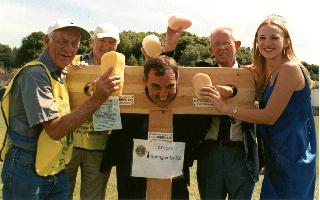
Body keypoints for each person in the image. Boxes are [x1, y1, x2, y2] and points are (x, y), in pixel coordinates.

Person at [0, 19, 121, 200]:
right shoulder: (36, 75)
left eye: (74, 44)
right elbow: (55, 130)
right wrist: (97, 99)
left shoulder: (61, 73)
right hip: (27, 165)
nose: (69, 49)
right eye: (62, 41)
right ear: (47, 41)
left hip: (55, 164)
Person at [201, 14, 316, 199]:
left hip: (293, 153)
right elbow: (240, 87)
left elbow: (269, 116)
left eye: (274, 37)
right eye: (261, 38)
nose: (266, 43)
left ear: (286, 41)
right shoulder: (266, 73)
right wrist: (232, 86)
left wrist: (225, 109)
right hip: (275, 154)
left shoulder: (290, 69)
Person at [100, 55, 211, 199]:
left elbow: (200, 132)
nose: (163, 94)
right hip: (132, 182)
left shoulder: (189, 111)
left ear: (178, 80)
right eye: (156, 86)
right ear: (144, 81)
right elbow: (104, 121)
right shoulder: (125, 106)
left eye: (170, 86)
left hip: (175, 181)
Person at [195, 26, 259, 199]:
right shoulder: (200, 73)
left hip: (241, 154)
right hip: (210, 153)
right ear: (211, 50)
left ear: (237, 45)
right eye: (217, 44)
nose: (221, 47)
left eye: (226, 43)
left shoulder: (252, 75)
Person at [65, 23, 120, 200]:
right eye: (102, 40)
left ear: (117, 45)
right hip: (69, 144)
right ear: (92, 41)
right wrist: (72, 70)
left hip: (99, 145)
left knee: (93, 197)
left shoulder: (120, 68)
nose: (107, 45)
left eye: (112, 41)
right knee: (60, 194)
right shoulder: (74, 62)